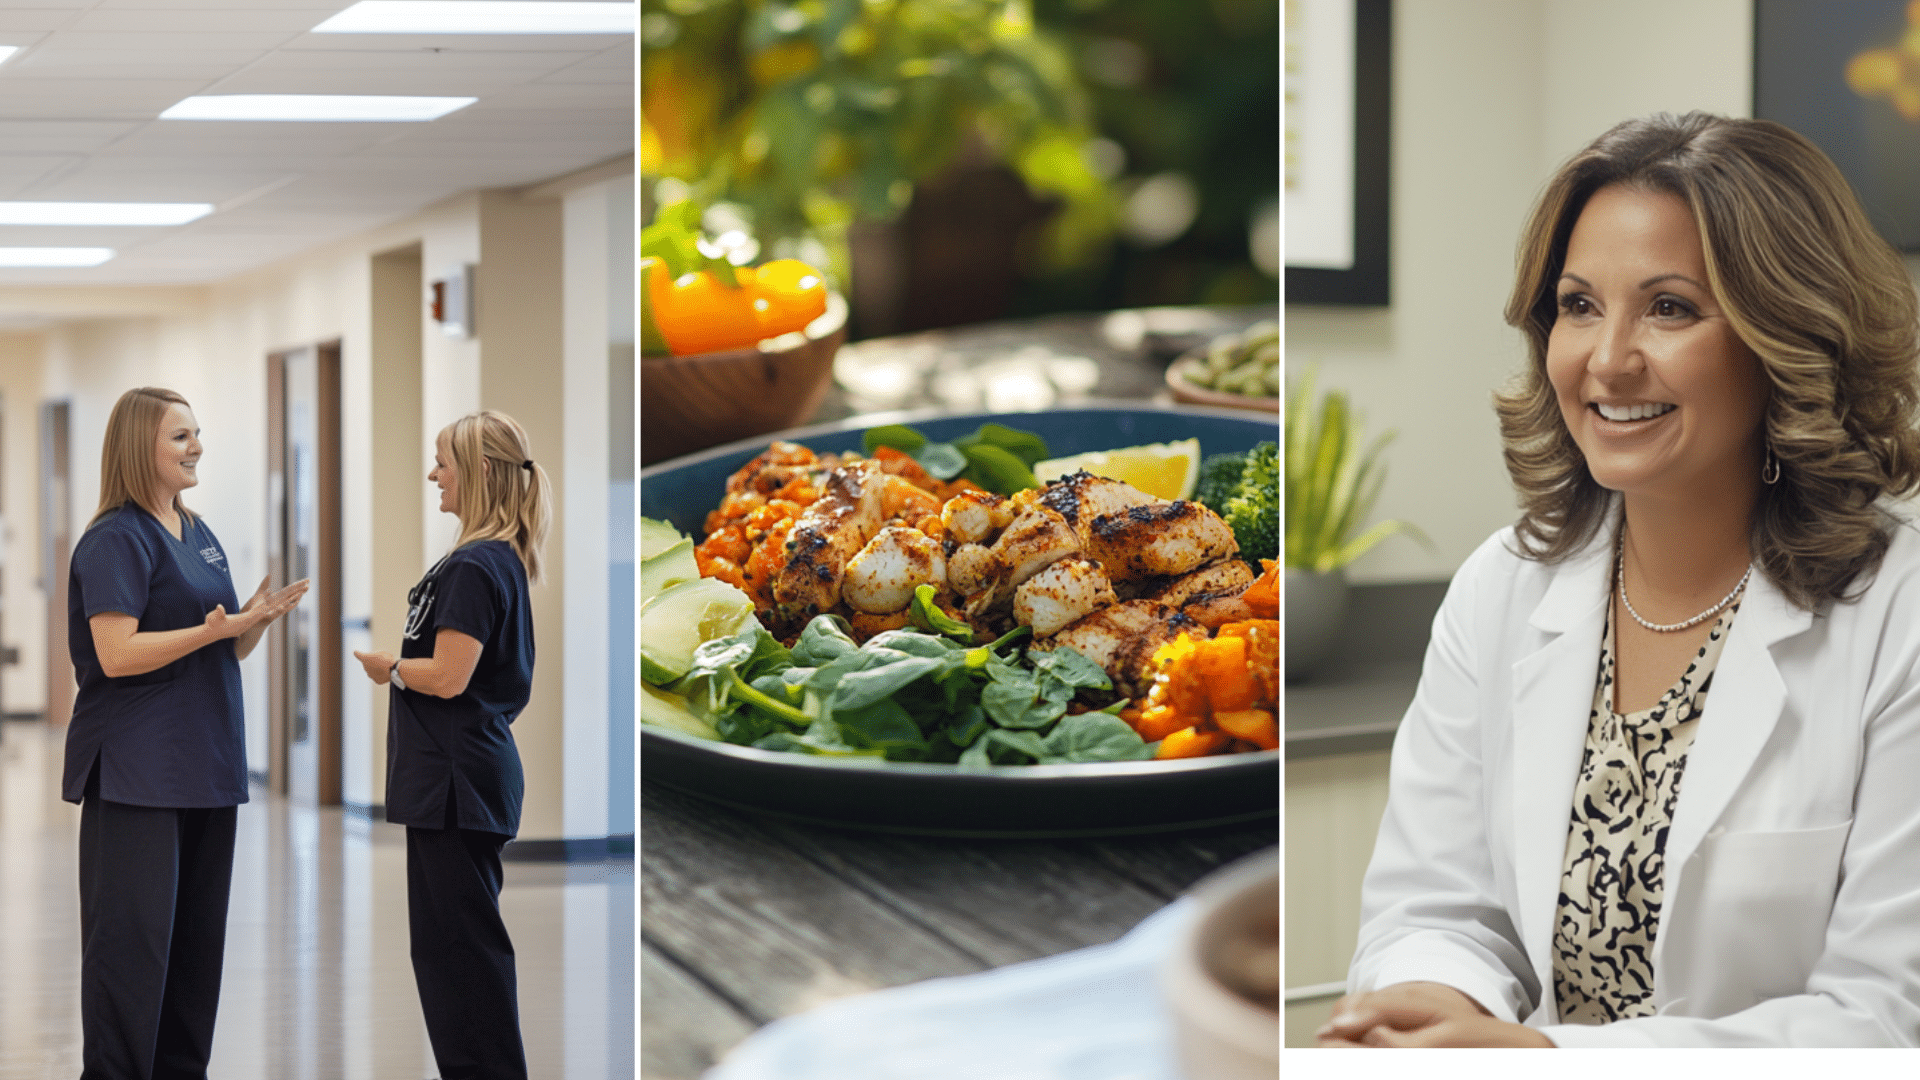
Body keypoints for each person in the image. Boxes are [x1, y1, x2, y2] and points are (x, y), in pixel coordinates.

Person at [1318, 113, 1920, 1047]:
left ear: (1787, 337)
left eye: (1670, 307)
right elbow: (1437, 907)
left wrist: (1546, 1057)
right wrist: (1430, 1006)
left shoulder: (1898, 613)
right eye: (1578, 305)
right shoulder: (1504, 587)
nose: (1606, 359)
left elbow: (1887, 1020)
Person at [65, 386, 308, 1077]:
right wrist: (208, 631)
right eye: (180, 436)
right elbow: (116, 654)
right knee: (130, 956)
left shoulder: (197, 533)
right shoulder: (113, 537)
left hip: (206, 764)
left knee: (195, 958)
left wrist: (249, 626)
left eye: (197, 433)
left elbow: (220, 649)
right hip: (136, 772)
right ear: (140, 448)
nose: (196, 446)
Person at [353, 409, 549, 1079]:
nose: (433, 473)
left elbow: (448, 675)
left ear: (483, 473)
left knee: (459, 955)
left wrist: (391, 668)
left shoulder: (474, 566)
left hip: (455, 783)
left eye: (445, 462)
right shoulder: (494, 559)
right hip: (457, 779)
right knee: (448, 951)